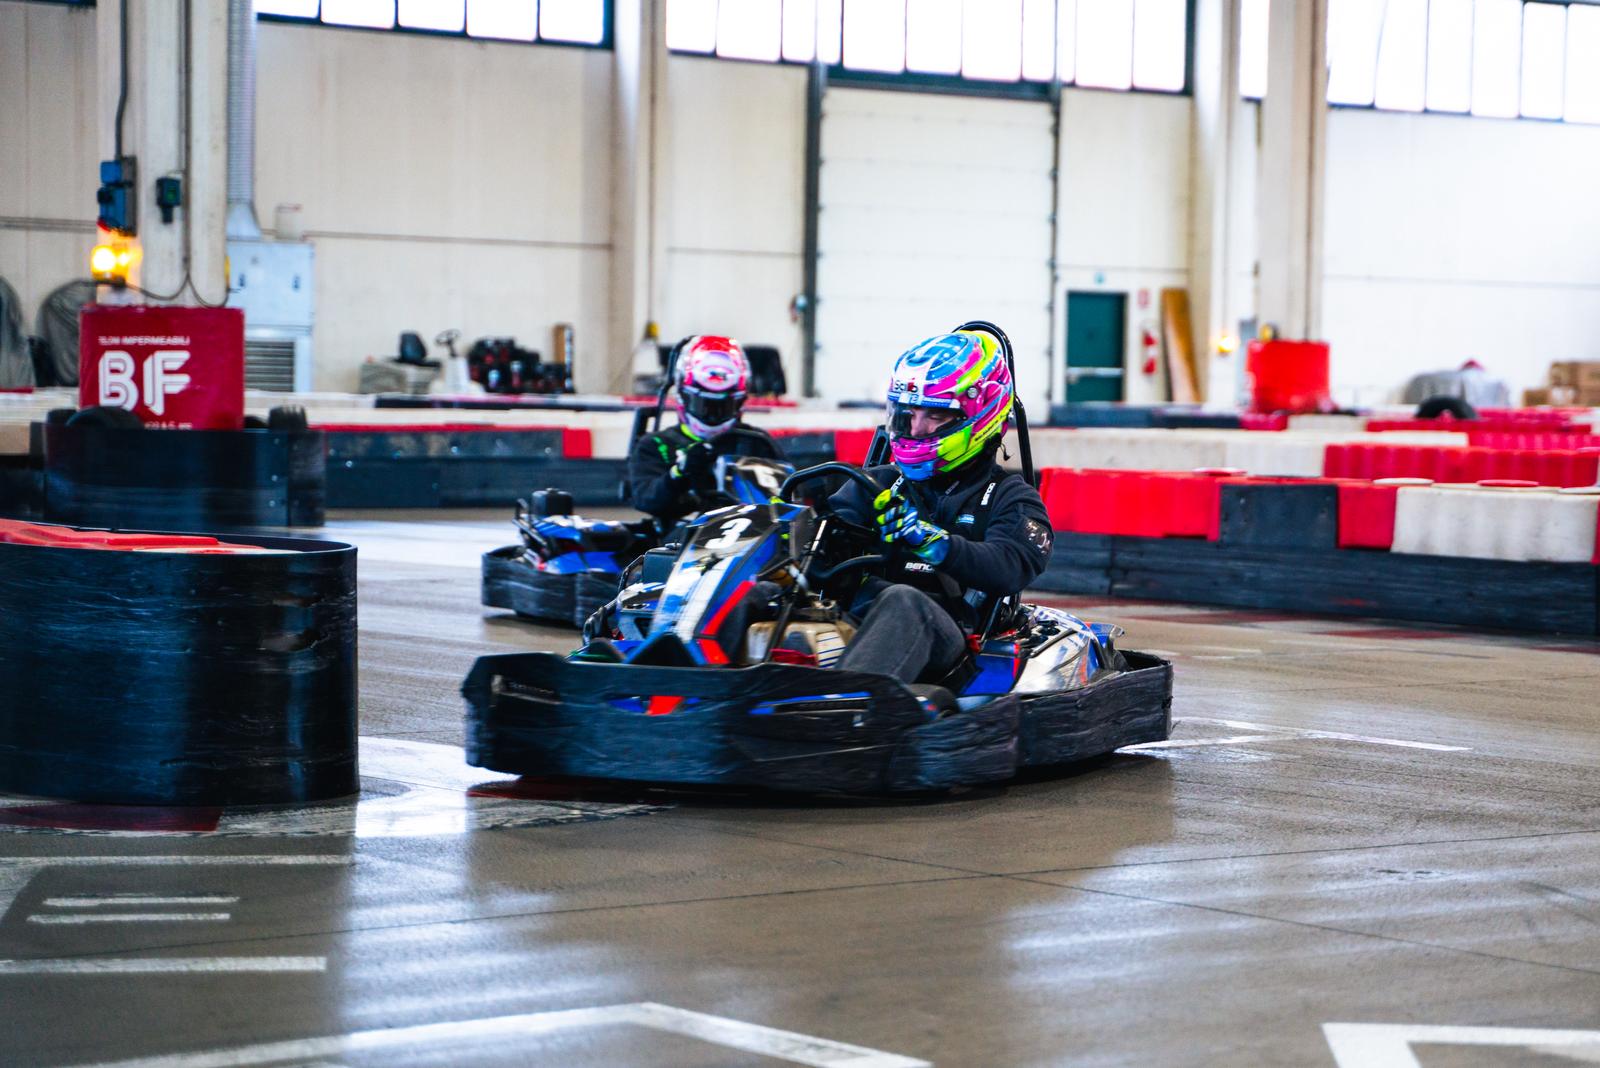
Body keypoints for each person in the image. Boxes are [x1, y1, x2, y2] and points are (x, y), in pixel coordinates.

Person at [827, 326, 1054, 685]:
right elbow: (827, 537)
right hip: (860, 622)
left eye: (934, 415)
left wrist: (934, 543)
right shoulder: (877, 484)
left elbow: (1011, 565)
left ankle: (843, 717)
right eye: (908, 414)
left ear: (978, 418)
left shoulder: (1008, 496)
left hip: (950, 639)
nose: (916, 430)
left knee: (903, 602)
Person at [628, 335, 783, 528]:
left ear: (739, 402)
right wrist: (680, 473)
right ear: (683, 396)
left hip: (751, 541)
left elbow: (783, 500)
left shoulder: (756, 443)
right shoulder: (657, 446)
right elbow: (647, 499)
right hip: (681, 545)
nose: (712, 415)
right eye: (704, 405)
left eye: (722, 406)